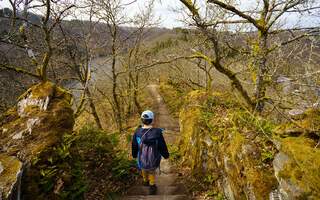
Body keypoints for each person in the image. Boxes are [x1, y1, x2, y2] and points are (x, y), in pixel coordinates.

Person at [132, 110, 169, 195]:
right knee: (151, 171)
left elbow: (134, 145)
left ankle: (145, 181)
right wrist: (165, 155)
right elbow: (162, 145)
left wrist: (134, 154)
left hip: (141, 157)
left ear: (142, 120)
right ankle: (152, 185)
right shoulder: (157, 132)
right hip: (154, 157)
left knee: (143, 168)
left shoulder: (137, 132)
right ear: (152, 120)